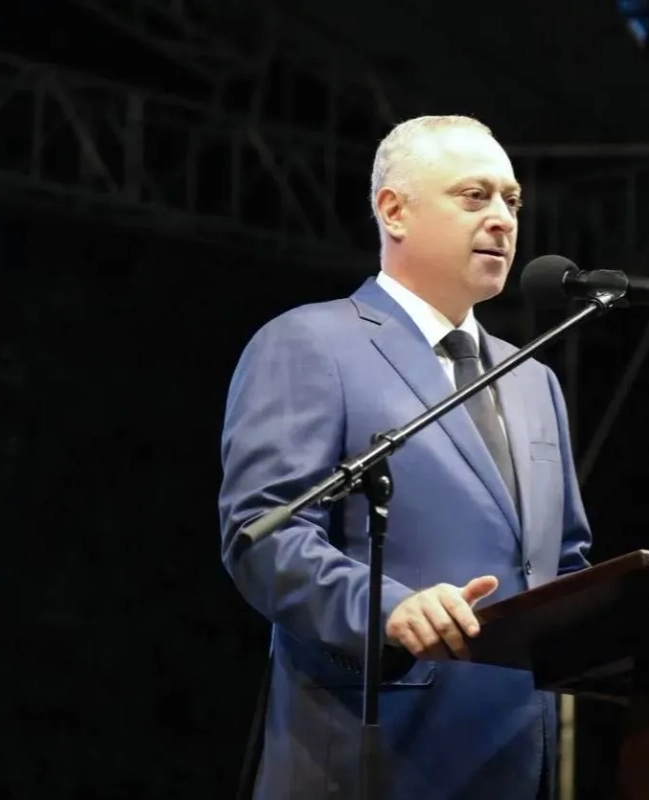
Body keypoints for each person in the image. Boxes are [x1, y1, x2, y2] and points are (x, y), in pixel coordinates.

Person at [217, 114, 594, 800]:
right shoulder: (311, 343)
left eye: (512, 201)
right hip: (370, 753)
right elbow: (263, 536)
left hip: (518, 763)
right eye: (475, 196)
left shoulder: (533, 379)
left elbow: (563, 561)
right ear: (394, 211)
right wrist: (389, 609)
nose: (503, 219)